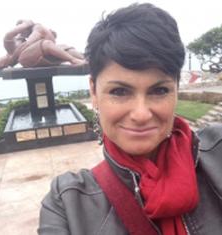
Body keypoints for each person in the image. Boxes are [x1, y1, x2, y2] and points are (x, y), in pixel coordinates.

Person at [38, 3, 222, 235]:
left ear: (176, 88)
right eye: (119, 92)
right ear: (94, 92)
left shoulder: (217, 153)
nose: (141, 114)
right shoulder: (67, 203)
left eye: (160, 90)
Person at [0, 20, 85, 69]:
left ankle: (84, 58)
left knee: (64, 48)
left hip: (39, 56)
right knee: (46, 44)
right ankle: (73, 60)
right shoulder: (11, 43)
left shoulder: (26, 40)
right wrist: (25, 24)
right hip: (27, 59)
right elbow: (9, 35)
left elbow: (33, 41)